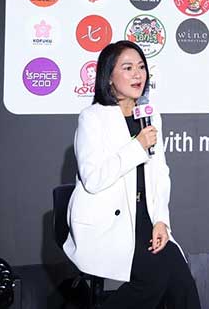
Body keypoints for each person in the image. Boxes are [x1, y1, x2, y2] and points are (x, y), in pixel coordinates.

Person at [63, 40, 201, 308]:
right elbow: (93, 179)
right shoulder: (92, 118)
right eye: (128, 68)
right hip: (107, 222)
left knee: (181, 281)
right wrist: (137, 146)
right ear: (109, 77)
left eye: (141, 67)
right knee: (154, 277)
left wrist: (161, 221)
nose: (138, 74)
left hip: (145, 218)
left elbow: (160, 173)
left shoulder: (149, 116)